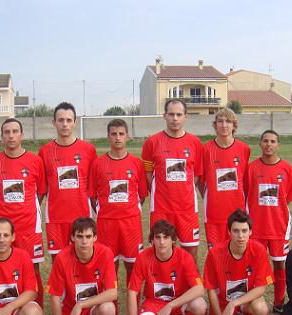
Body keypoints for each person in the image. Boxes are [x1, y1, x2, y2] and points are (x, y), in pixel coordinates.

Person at [0, 118, 49, 315]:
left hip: (29, 227)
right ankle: (3, 312)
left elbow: (40, 192)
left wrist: (27, 211)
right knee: (3, 270)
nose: (11, 135)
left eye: (15, 131)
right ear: (2, 136)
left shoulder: (35, 161)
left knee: (33, 271)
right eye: (6, 132)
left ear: (21, 135)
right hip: (4, 230)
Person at [126, 220, 206, 315]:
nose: (162, 242)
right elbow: (132, 292)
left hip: (178, 301)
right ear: (152, 240)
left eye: (166, 237)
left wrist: (170, 305)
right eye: (158, 237)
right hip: (154, 301)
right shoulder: (143, 257)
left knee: (200, 306)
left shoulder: (184, 257)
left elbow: (199, 289)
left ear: (173, 240)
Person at [48, 217, 118, 315]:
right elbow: (54, 298)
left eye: (88, 237)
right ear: (73, 237)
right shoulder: (62, 257)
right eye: (79, 237)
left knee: (109, 310)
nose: (84, 242)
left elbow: (113, 293)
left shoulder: (105, 253)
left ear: (95, 237)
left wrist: (81, 304)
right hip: (69, 311)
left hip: (92, 307)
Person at [141, 99, 203, 263]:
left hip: (187, 210)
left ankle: (192, 289)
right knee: (160, 253)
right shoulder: (152, 142)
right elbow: (148, 174)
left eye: (178, 114)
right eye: (171, 114)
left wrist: (183, 191)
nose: (175, 118)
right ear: (164, 116)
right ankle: (160, 288)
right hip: (161, 210)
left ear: (185, 117)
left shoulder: (195, 143)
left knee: (191, 255)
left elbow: (195, 176)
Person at [204, 209, 272, 315]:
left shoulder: (258, 250)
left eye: (244, 231)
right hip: (222, 304)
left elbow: (260, 289)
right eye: (236, 231)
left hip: (244, 301)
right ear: (229, 232)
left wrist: (234, 303)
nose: (240, 236)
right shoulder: (215, 253)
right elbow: (210, 290)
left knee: (261, 310)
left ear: (250, 232)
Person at [89, 119, 147, 286]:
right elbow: (93, 196)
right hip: (106, 224)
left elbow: (142, 194)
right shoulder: (98, 164)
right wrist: (106, 212)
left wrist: (129, 210)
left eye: (121, 134)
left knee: (133, 266)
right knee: (108, 266)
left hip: (131, 223)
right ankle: (110, 308)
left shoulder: (137, 163)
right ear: (108, 136)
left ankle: (133, 308)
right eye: (114, 134)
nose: (118, 138)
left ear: (127, 136)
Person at [38, 102, 97, 259]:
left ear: (75, 122)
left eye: (69, 120)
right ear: (54, 122)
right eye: (61, 120)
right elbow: (41, 188)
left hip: (82, 216)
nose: (65, 124)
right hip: (55, 218)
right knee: (58, 263)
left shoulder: (88, 150)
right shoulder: (44, 151)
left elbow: (94, 186)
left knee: (83, 260)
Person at [246, 129, 292, 314]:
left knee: (279, 265)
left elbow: (287, 198)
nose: (269, 145)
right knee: (252, 266)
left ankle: (278, 302)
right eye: (265, 141)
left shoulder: (288, 169)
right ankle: (249, 302)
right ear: (260, 144)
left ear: (278, 145)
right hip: (256, 228)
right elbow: (246, 194)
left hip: (279, 227)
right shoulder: (251, 168)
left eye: (273, 141)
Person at [199, 108, 250, 249]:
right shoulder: (206, 149)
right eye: (220, 121)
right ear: (215, 125)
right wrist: (212, 197)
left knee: (238, 252)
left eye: (228, 121)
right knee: (216, 254)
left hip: (237, 212)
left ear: (234, 125)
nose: (224, 125)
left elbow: (245, 181)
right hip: (214, 213)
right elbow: (201, 182)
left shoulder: (244, 149)